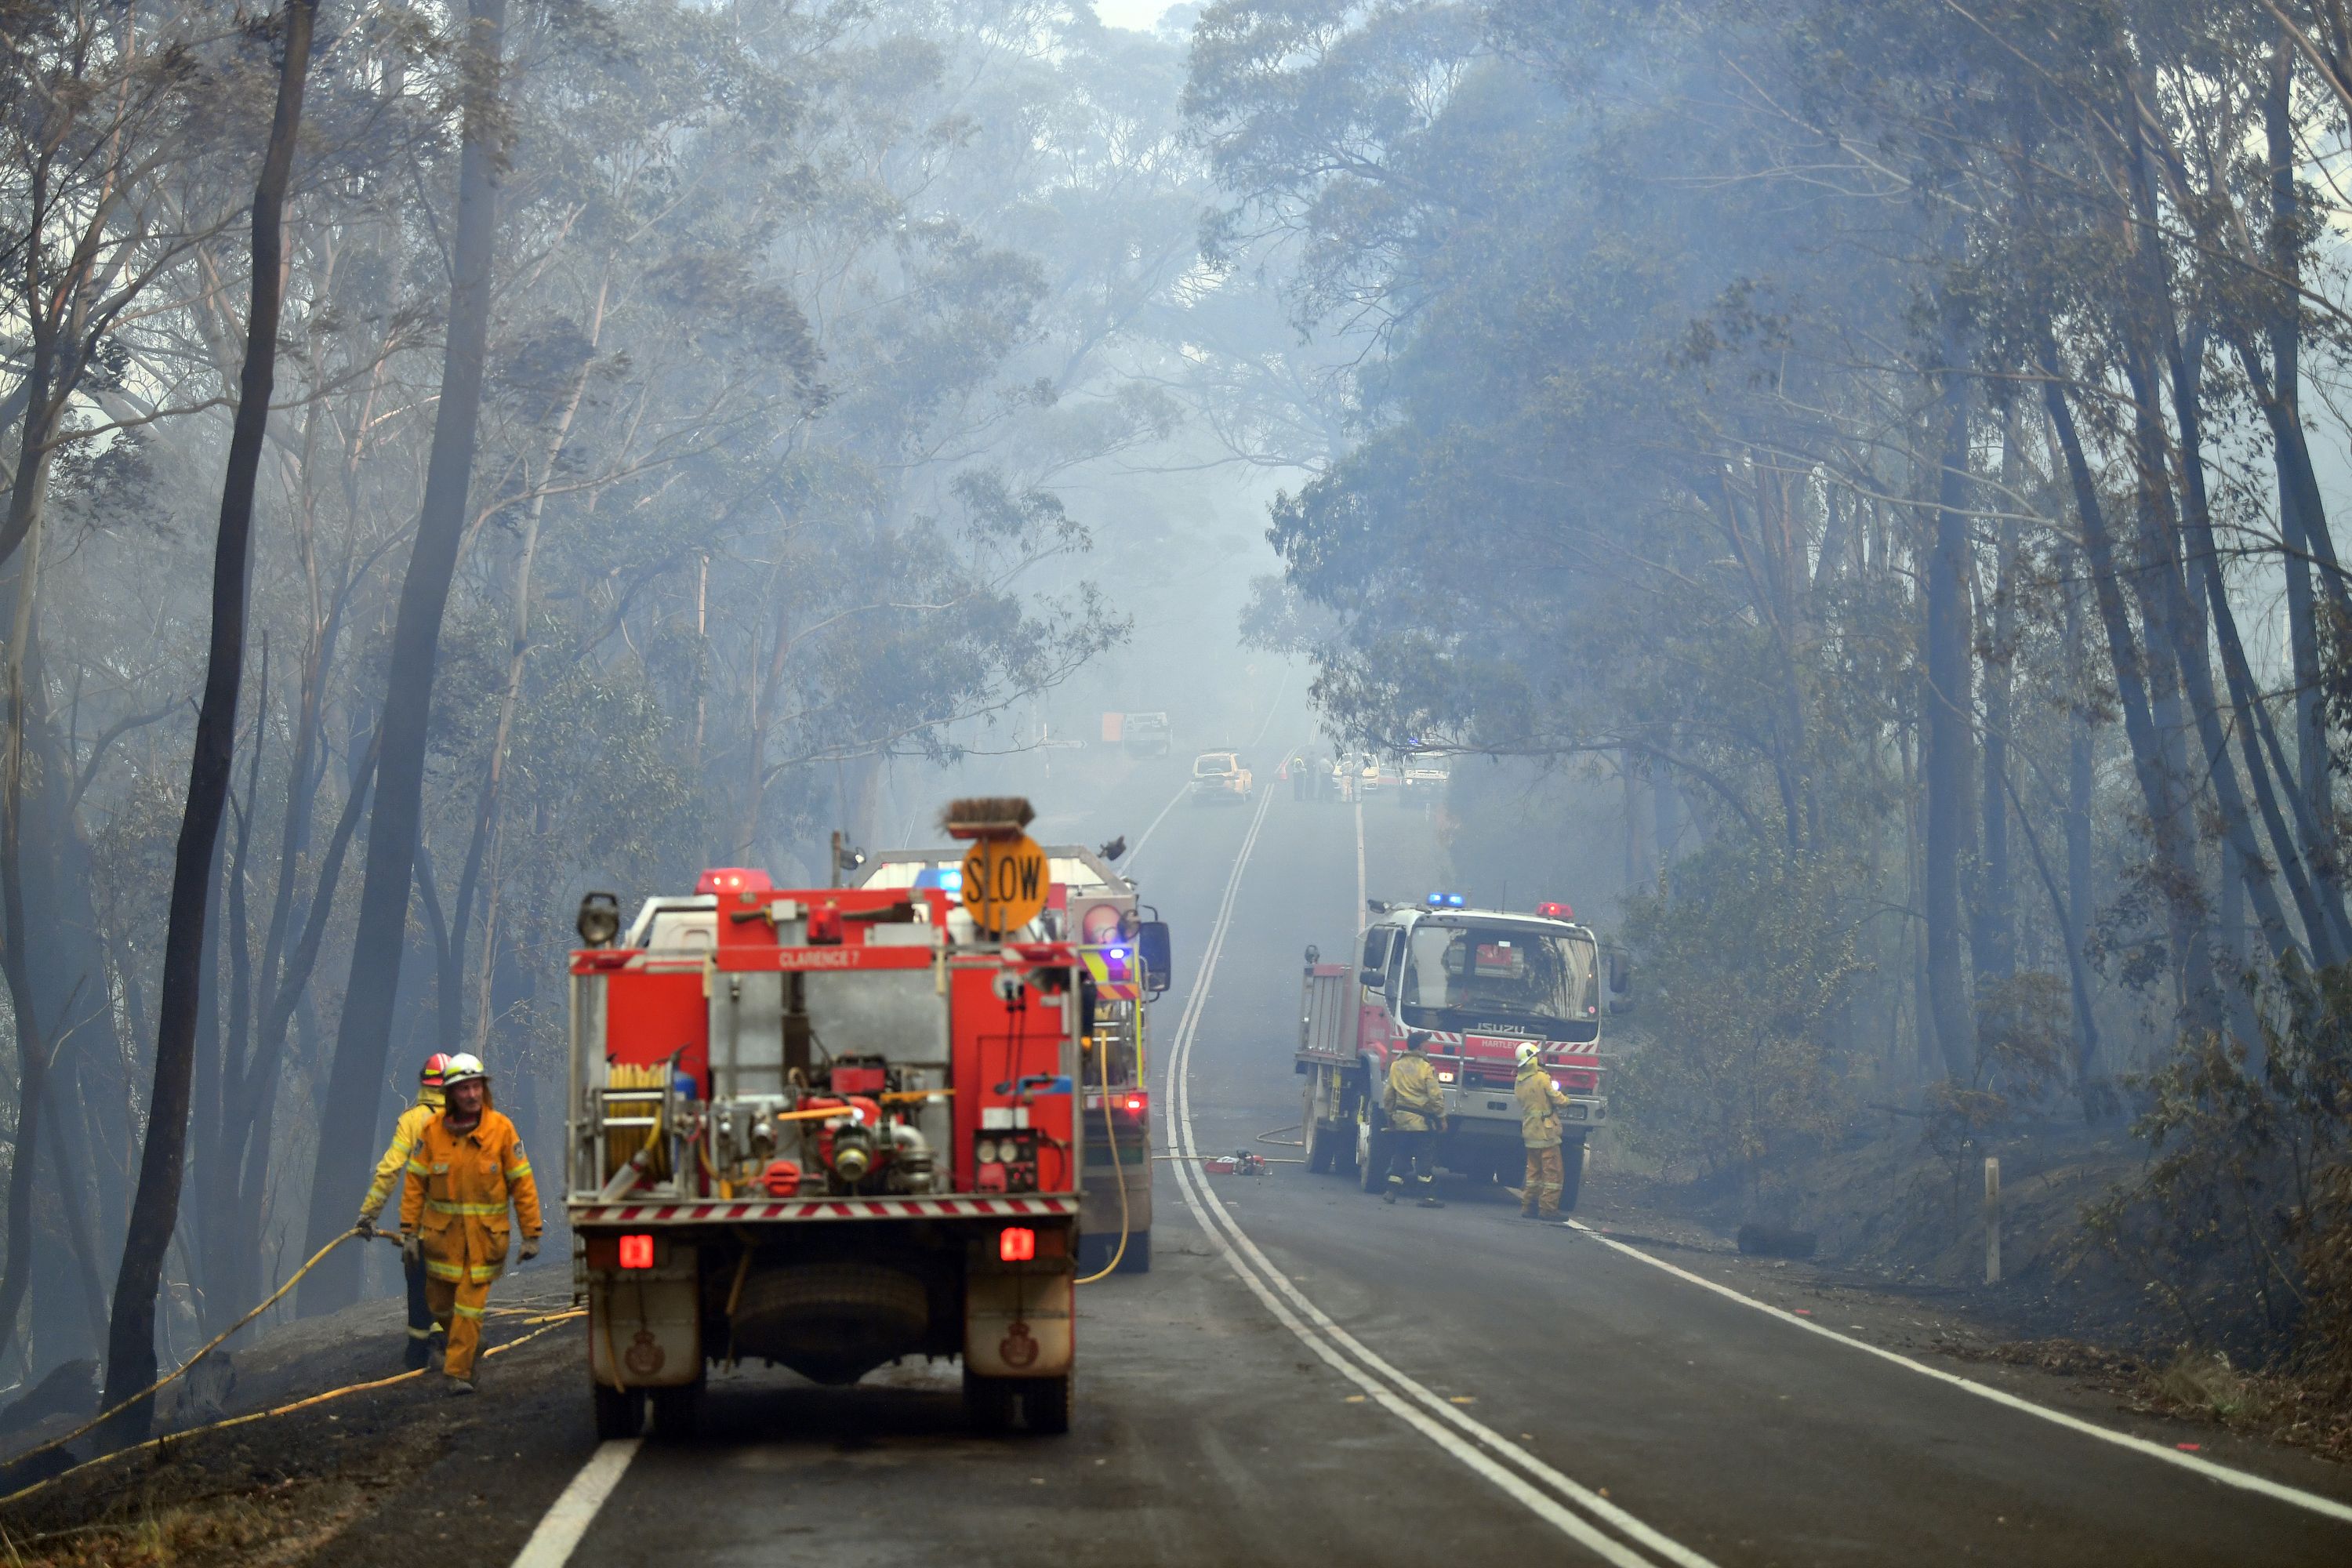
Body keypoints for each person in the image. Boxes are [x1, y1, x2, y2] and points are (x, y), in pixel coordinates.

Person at [399, 1053, 543, 1394]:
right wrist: (408, 1233)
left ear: (484, 1089)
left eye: (476, 1086)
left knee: (468, 1305)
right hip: (441, 1241)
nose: (472, 1095)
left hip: (485, 1241)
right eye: (464, 1089)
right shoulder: (431, 1134)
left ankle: (458, 1373)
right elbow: (415, 1185)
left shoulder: (502, 1130)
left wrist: (531, 1234)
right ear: (450, 1093)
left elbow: (522, 1184)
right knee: (439, 1304)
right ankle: (467, 1340)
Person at [357, 1053, 450, 1369]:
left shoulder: (412, 1121)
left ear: (423, 1082)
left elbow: (389, 1169)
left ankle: (420, 1352)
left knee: (420, 1286)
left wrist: (369, 1213)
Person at [1381, 1031, 1446, 1207]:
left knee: (1401, 1155)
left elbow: (1388, 1095)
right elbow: (1435, 1096)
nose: (1429, 1045)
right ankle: (1428, 1197)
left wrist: (1390, 1116)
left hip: (1401, 1120)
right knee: (1424, 1159)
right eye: (1427, 1042)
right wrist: (1441, 1117)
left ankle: (1391, 1191)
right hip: (1420, 1123)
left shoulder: (1396, 1065)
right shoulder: (1426, 1068)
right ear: (1420, 1046)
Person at [1513, 1041, 1572, 1221]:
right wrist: (1567, 1099)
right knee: (1552, 1172)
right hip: (1546, 1133)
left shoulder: (1519, 1080)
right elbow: (1557, 1098)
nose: (1540, 1057)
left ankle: (1528, 1206)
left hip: (1530, 1132)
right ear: (1532, 1059)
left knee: (1533, 1173)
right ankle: (1548, 1209)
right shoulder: (1541, 1077)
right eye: (1537, 1055)